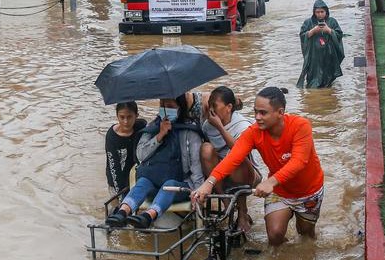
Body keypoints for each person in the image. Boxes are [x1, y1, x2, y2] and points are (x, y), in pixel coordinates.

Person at [192, 87, 324, 246]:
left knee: (306, 236)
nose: (257, 117)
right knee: (274, 236)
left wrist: (270, 182)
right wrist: (208, 183)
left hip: (308, 191)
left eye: (263, 113)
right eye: (255, 112)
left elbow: (299, 162)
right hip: (280, 192)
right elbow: (233, 157)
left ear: (280, 112)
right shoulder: (254, 132)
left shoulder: (301, 126)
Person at [105, 95, 205, 228]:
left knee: (168, 185)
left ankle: (148, 216)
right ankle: (122, 212)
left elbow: (196, 168)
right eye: (162, 105)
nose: (165, 109)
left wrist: (198, 192)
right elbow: (140, 155)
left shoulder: (189, 132)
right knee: (143, 182)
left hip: (181, 184)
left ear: (180, 108)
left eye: (170, 107)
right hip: (154, 179)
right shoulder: (153, 127)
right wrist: (160, 135)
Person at [200, 86, 262, 233]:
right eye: (210, 106)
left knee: (236, 159)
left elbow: (238, 151)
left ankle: (242, 212)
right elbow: (209, 156)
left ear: (228, 107)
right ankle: (227, 204)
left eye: (215, 106)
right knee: (206, 148)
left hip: (245, 173)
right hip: (219, 176)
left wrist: (221, 128)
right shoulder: (207, 126)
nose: (211, 110)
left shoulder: (243, 125)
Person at [296, 0, 345, 88]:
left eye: (322, 12)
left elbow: (339, 35)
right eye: (317, 12)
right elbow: (302, 36)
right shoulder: (308, 22)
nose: (320, 14)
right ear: (314, 12)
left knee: (328, 80)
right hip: (313, 57)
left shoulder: (332, 21)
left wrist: (329, 30)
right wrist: (313, 31)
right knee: (312, 81)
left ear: (326, 11)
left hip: (329, 55)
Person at [104, 102, 148, 199]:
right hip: (116, 180)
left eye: (129, 117)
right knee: (119, 207)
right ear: (117, 116)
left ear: (136, 116)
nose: (126, 122)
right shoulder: (112, 137)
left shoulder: (141, 127)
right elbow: (114, 167)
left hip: (136, 176)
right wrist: (120, 193)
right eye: (122, 117)